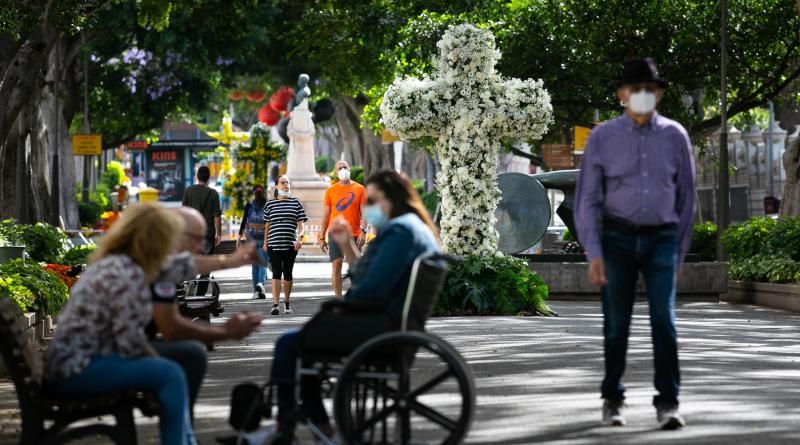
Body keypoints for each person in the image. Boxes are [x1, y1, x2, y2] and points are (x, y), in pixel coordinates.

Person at [265, 170, 440, 443]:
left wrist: (338, 309)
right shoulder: (412, 228)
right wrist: (347, 244)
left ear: (391, 198)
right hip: (387, 324)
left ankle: (288, 426)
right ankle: (313, 422)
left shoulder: (400, 232)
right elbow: (367, 277)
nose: (367, 206)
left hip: (378, 328)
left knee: (289, 344)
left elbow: (370, 288)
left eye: (372, 200)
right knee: (301, 344)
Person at [575, 58, 695, 430]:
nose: (643, 95)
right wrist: (594, 251)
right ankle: (612, 397)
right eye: (636, 89)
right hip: (617, 239)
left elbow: (687, 200)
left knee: (665, 320)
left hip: (661, 237)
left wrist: (678, 251)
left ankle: (669, 402)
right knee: (616, 324)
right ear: (622, 95)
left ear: (658, 94)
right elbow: (587, 199)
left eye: (650, 89)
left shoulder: (675, 135)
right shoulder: (603, 137)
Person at [44, 204, 227, 445]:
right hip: (77, 367)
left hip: (90, 356)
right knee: (170, 373)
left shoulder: (127, 264)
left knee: (187, 355)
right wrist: (156, 364)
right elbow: (131, 342)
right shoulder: (124, 272)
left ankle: (186, 437)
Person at [148, 207, 264, 422]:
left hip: (112, 348)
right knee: (180, 366)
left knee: (191, 353)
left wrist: (233, 261)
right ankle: (180, 435)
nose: (202, 246)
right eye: (197, 238)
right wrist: (226, 331)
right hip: (91, 359)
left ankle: (184, 430)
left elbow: (190, 264)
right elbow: (172, 329)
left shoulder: (153, 257)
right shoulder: (157, 268)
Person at [318, 160, 367, 298]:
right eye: (339, 168)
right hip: (335, 234)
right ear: (336, 171)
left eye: (345, 167)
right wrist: (321, 237)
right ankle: (339, 299)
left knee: (355, 268)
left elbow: (365, 213)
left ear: (349, 169)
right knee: (336, 264)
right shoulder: (331, 190)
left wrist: (364, 231)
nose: (343, 169)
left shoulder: (360, 189)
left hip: (355, 233)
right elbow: (326, 215)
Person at [263, 175, 308, 315]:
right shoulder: (269, 204)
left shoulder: (295, 202)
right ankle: (275, 304)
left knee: (287, 273)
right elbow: (267, 225)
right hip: (273, 244)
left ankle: (287, 303)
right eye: (282, 183)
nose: (286, 185)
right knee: (276, 272)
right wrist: (265, 242)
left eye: (287, 183)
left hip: (290, 245)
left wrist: (300, 239)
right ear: (276, 186)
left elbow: (302, 225)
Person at [182, 165, 222, 296]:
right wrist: (218, 234)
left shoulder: (188, 191)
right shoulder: (213, 193)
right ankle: (200, 293)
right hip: (208, 234)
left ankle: (191, 281)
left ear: (197, 176)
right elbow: (217, 215)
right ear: (209, 178)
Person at [237, 185, 270, 299]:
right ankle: (261, 284)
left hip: (251, 239)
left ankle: (256, 292)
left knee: (254, 265)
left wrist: (239, 237)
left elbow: (243, 221)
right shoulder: (268, 205)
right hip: (264, 238)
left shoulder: (249, 205)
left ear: (253, 193)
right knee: (263, 264)